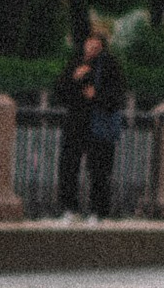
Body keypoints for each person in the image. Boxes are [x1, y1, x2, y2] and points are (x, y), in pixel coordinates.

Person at [52, 24, 128, 220]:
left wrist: (97, 95)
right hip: (76, 122)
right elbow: (59, 93)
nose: (91, 51)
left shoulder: (109, 66)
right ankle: (70, 209)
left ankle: (98, 210)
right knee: (69, 166)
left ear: (102, 48)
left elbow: (118, 98)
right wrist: (74, 78)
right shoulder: (76, 63)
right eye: (89, 46)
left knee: (99, 170)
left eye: (95, 47)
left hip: (98, 124)